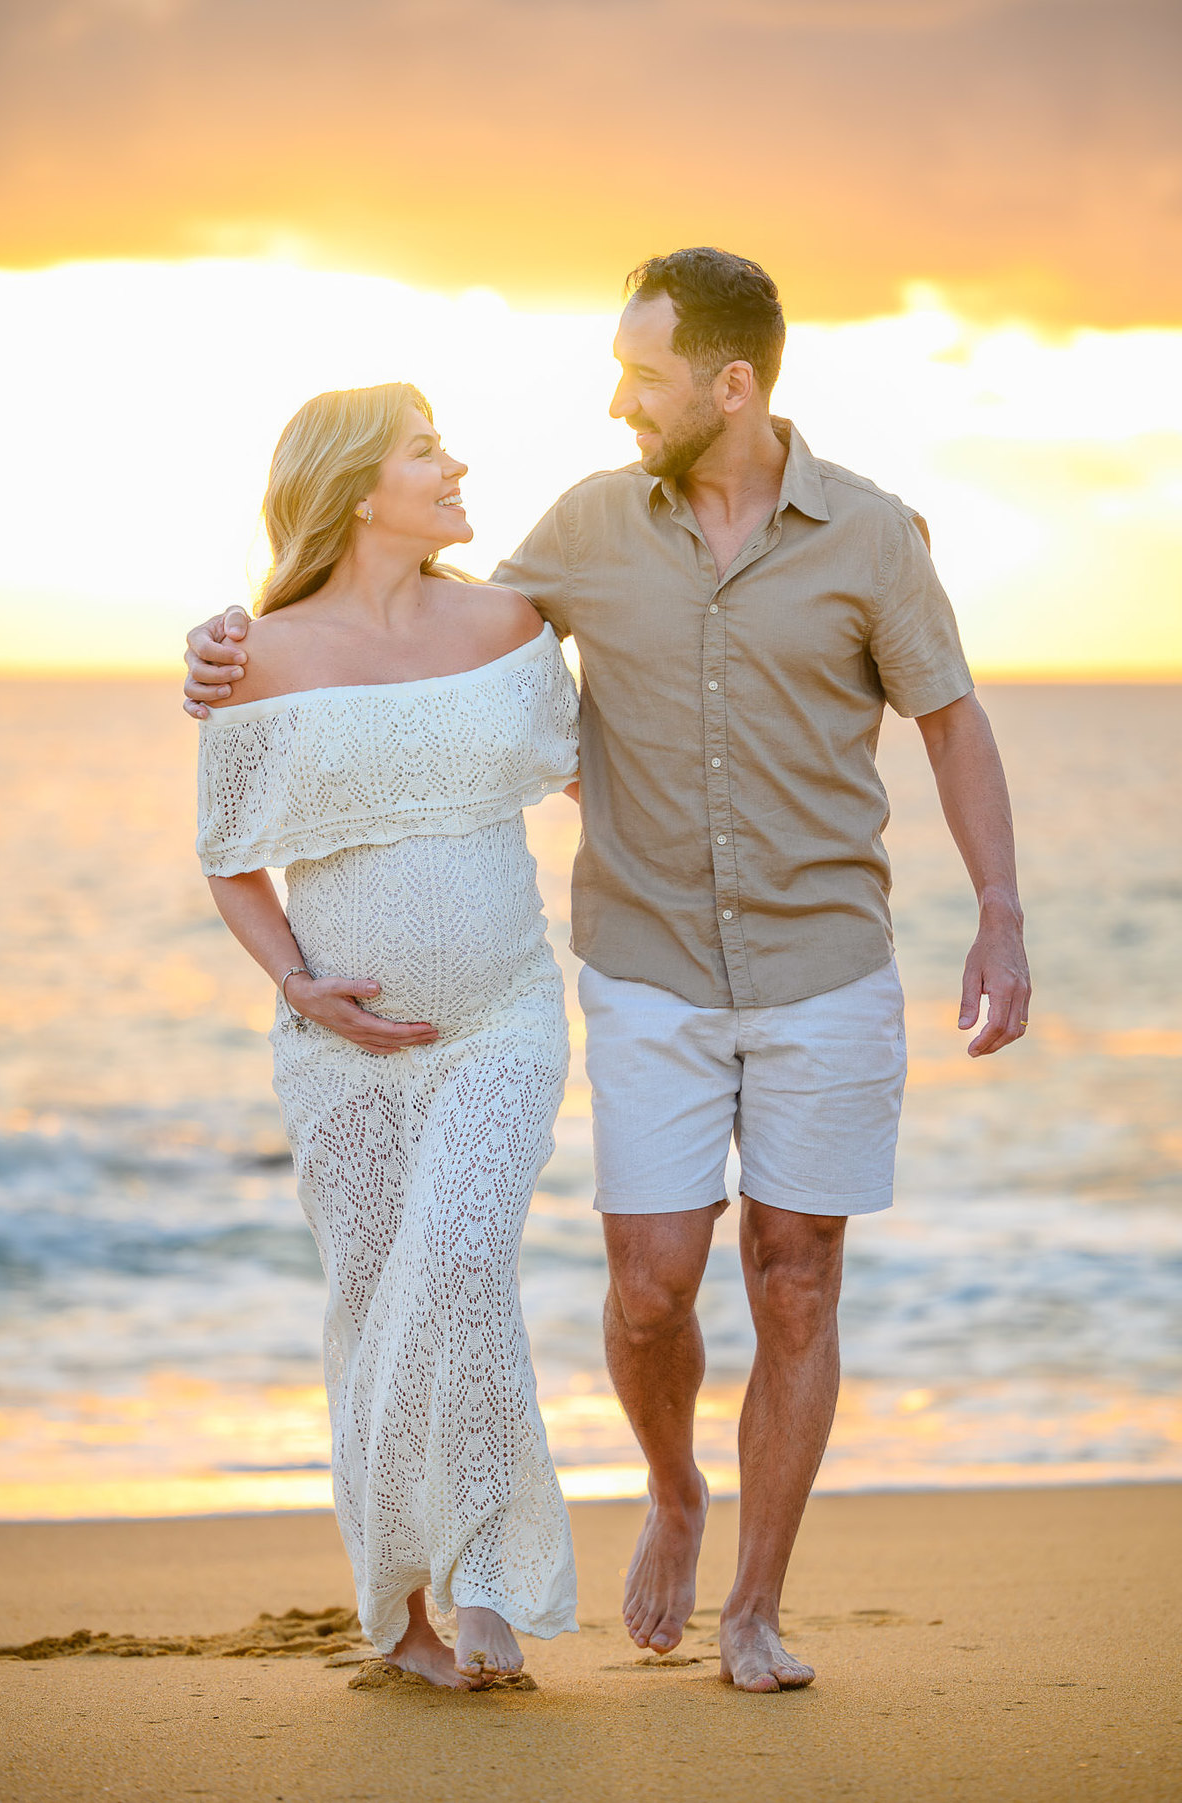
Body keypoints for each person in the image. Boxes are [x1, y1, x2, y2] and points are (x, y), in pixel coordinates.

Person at [184, 248, 1031, 1694]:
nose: (616, 402)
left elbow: (948, 720)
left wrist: (1001, 914)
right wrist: (228, 644)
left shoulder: (875, 537)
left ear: (733, 382)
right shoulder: (578, 536)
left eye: (641, 374)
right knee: (643, 1292)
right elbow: (394, 679)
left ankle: (737, 1607)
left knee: (795, 1275)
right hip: (640, 970)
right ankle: (639, 1497)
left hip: (817, 958)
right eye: (620, 369)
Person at [194, 382, 581, 1690]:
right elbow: (232, 862)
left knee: (461, 1266)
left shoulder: (514, 620)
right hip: (339, 1047)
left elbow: (602, 770)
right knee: (372, 1304)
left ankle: (490, 1590)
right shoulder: (260, 653)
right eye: (428, 452)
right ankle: (401, 1613)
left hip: (504, 1019)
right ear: (363, 486)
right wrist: (301, 985)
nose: (458, 464)